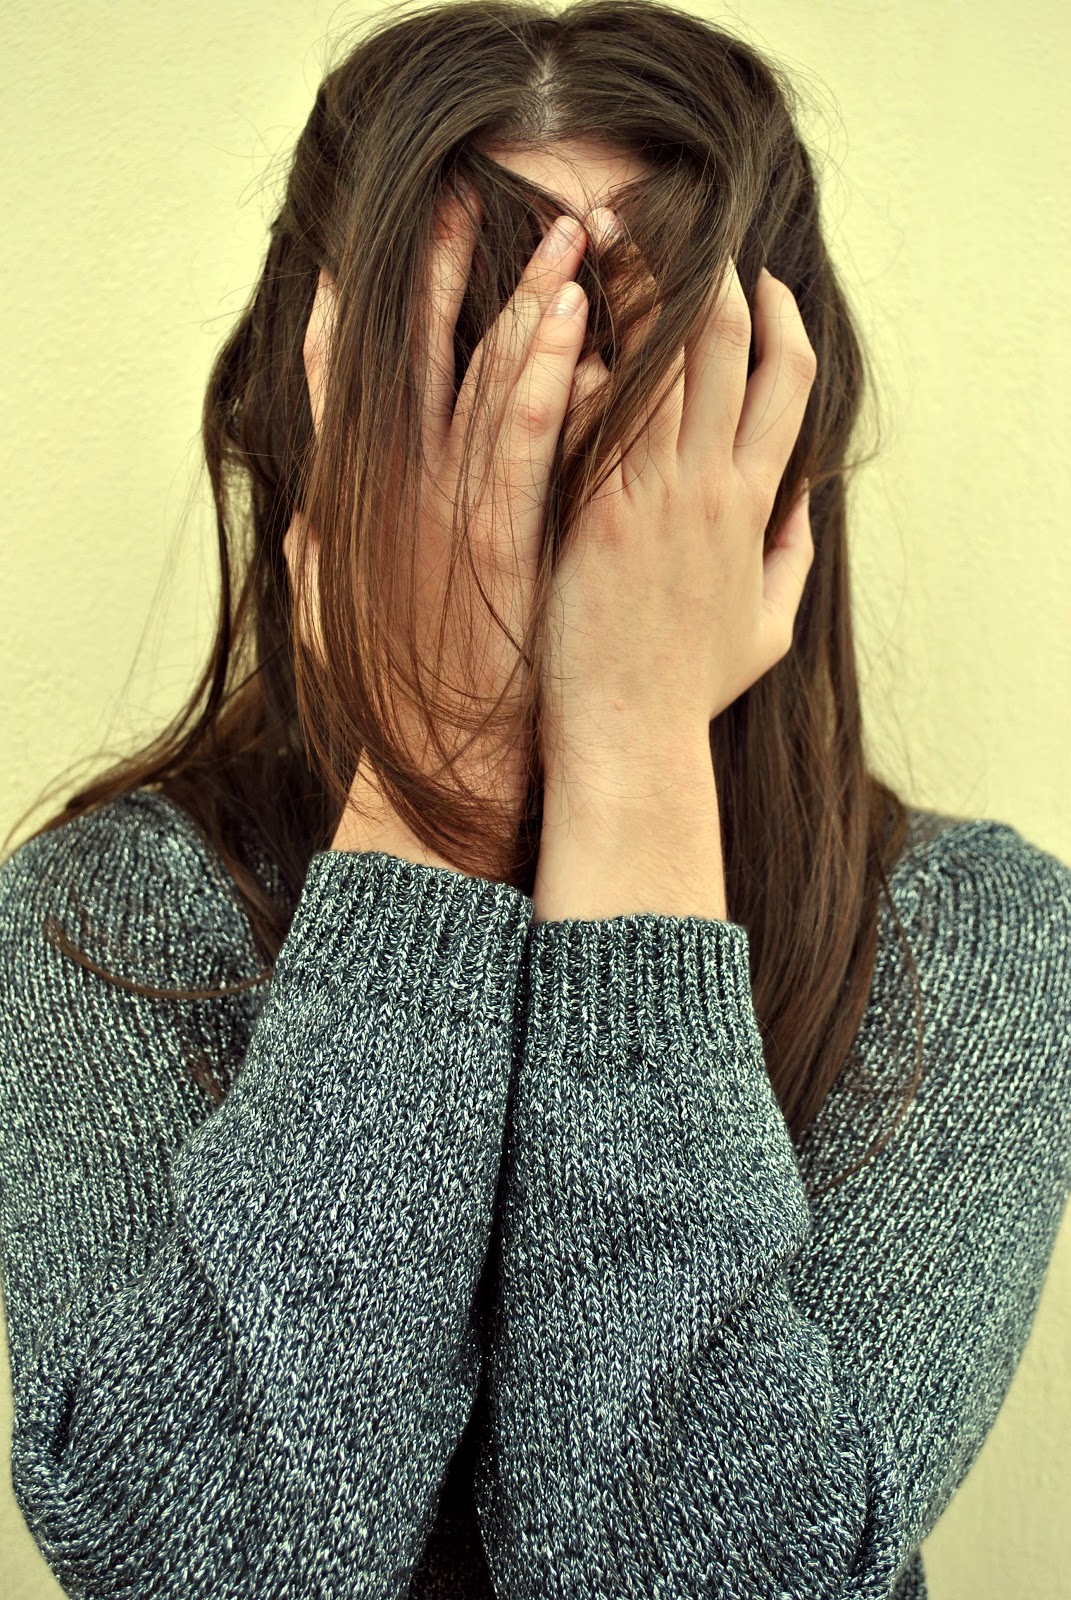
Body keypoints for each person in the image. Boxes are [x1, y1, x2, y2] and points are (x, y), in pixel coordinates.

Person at [1, 2, 1068, 1596]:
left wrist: (633, 746)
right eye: (466, 393)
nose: (542, 491)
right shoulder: (107, 917)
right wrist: (436, 784)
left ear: (773, 453)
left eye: (638, 412)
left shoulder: (969, 938)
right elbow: (201, 1567)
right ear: (315, 431)